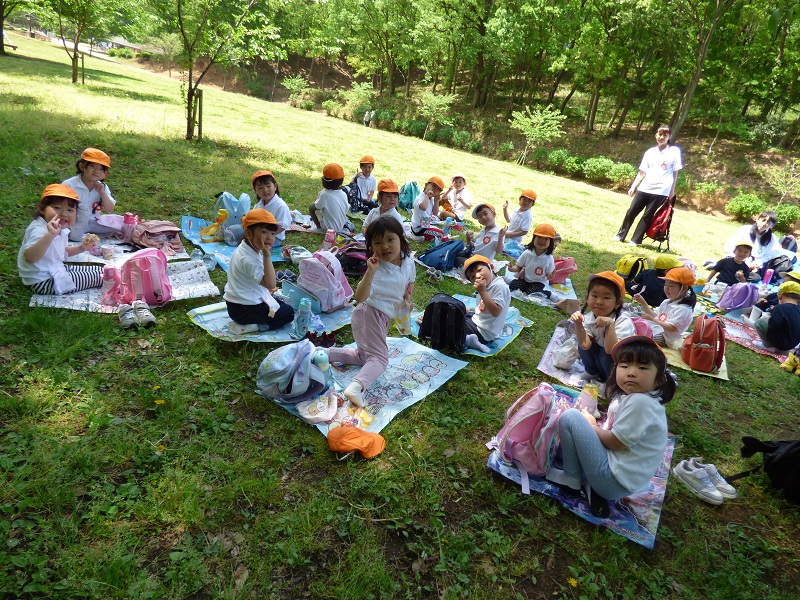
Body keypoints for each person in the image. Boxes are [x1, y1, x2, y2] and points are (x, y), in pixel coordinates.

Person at [551, 336, 675, 517]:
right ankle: (591, 487)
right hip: (623, 482)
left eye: (642, 368)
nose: (631, 373)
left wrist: (592, 426)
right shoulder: (648, 400)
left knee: (571, 417)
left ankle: (571, 480)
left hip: (612, 480)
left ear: (660, 379)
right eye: (624, 366)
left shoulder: (640, 402)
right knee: (585, 433)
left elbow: (616, 443)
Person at [326, 216, 415, 406]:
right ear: (371, 246)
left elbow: (410, 282)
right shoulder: (377, 270)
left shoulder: (408, 260)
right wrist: (370, 271)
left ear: (401, 238)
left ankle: (325, 353)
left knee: (363, 356)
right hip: (369, 315)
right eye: (378, 242)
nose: (385, 247)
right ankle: (356, 387)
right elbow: (360, 297)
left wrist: (407, 300)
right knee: (380, 359)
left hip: (382, 317)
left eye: (390, 239)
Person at [17, 184, 104, 295]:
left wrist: (81, 248)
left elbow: (60, 252)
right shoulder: (39, 230)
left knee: (101, 270)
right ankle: (120, 282)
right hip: (42, 281)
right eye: (57, 208)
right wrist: (50, 235)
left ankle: (115, 275)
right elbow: (30, 258)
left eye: (70, 210)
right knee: (102, 276)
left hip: (55, 270)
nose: (64, 214)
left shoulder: (61, 229)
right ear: (42, 209)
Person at [224, 209, 295, 334]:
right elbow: (271, 284)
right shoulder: (248, 259)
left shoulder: (245, 248)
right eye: (264, 232)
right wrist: (267, 256)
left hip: (237, 305)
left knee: (279, 303)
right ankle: (253, 327)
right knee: (288, 312)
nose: (269, 238)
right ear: (248, 233)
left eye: (273, 233)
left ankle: (254, 321)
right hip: (244, 310)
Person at [614, 125, 682, 247]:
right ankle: (621, 235)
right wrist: (633, 186)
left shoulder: (674, 151)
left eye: (665, 135)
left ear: (669, 136)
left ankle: (635, 240)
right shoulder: (650, 152)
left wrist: (672, 190)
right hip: (645, 187)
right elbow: (642, 172)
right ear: (656, 135)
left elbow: (675, 173)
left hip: (661, 190)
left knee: (647, 215)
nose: (662, 137)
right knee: (631, 211)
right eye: (660, 134)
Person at [570, 271, 635, 382]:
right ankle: (591, 373)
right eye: (594, 296)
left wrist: (610, 325)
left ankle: (611, 382)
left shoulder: (623, 321)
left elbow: (611, 350)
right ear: (587, 298)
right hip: (602, 362)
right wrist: (578, 324)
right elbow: (585, 345)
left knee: (604, 354)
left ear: (618, 303)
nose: (599, 302)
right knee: (582, 342)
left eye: (606, 298)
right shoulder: (589, 318)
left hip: (620, 364)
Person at [63, 147, 117, 241]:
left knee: (122, 228)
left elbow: (110, 209)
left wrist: (102, 193)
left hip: (93, 223)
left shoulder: (102, 187)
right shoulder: (69, 185)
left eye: (101, 169)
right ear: (82, 166)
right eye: (92, 166)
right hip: (73, 223)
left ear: (105, 174)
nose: (96, 171)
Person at [634, 266, 696, 348]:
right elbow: (655, 315)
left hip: (664, 338)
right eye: (665, 284)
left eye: (671, 286)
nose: (666, 288)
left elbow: (672, 328)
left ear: (684, 288)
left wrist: (653, 320)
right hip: (656, 328)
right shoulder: (667, 302)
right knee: (633, 322)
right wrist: (643, 302)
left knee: (640, 335)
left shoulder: (684, 309)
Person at [462, 255, 511, 353]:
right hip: (477, 322)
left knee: (452, 325)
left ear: (491, 267)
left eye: (479, 270)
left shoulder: (500, 286)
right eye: (472, 277)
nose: (477, 276)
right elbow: (483, 308)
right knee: (456, 313)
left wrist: (482, 292)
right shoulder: (487, 285)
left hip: (483, 331)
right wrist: (470, 310)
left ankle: (468, 340)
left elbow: (496, 312)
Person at [743, 281, 800, 352]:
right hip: (791, 345)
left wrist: (768, 316)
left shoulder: (779, 308)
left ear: (779, 296)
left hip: (779, 344)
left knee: (760, 322)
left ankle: (767, 345)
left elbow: (773, 326)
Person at [723, 212, 778, 280]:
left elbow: (767, 256)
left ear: (772, 226)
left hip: (753, 264)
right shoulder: (744, 229)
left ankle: (737, 275)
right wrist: (743, 259)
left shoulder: (772, 239)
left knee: (756, 278)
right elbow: (729, 247)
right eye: (763, 220)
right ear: (758, 219)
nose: (764, 224)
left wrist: (756, 263)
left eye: (768, 223)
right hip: (737, 258)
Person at [507, 223, 556, 296]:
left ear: (550, 242)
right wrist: (512, 269)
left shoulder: (549, 258)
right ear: (534, 238)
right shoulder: (527, 253)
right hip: (526, 280)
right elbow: (518, 267)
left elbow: (549, 274)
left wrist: (550, 276)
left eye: (546, 238)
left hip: (539, 282)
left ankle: (549, 294)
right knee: (514, 285)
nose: (542, 240)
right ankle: (509, 280)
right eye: (539, 237)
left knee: (533, 292)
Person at [454, 203, 507, 268]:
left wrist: (500, 238)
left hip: (481, 262)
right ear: (479, 221)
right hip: (473, 256)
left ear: (494, 214)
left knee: (457, 260)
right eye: (480, 217)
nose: (483, 217)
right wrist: (469, 240)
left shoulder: (499, 232)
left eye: (485, 214)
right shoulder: (482, 231)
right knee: (456, 254)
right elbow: (477, 246)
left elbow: (498, 251)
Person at [251, 170, 291, 246]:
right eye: (260, 188)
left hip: (274, 238)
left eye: (268, 186)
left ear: (275, 186)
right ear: (255, 191)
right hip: (259, 234)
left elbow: (283, 226)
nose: (265, 190)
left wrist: (268, 235)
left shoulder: (280, 206)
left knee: (252, 245)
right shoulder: (259, 205)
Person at [309, 163, 351, 234]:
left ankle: (319, 228)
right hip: (340, 227)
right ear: (341, 181)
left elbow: (315, 207)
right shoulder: (344, 194)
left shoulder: (325, 194)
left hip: (328, 228)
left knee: (312, 207)